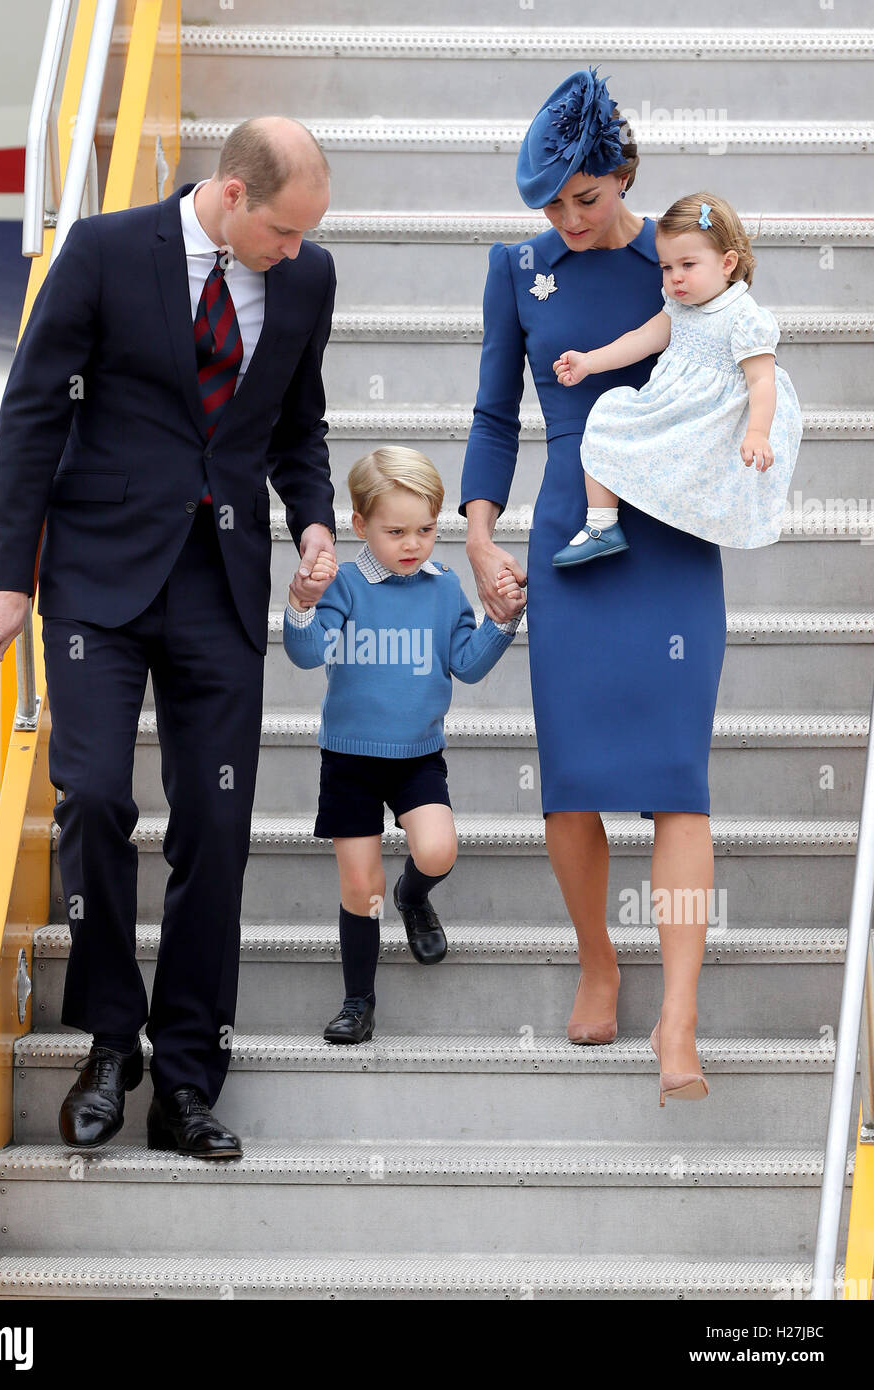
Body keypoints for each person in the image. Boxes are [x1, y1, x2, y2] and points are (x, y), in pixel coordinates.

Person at [0, 117, 339, 1156]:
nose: (294, 253)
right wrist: (5, 578)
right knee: (91, 797)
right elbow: (33, 409)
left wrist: (312, 520)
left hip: (218, 585)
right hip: (96, 579)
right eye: (281, 231)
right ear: (228, 195)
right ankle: (109, 1041)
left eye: (308, 235)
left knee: (215, 831)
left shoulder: (304, 282)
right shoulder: (103, 251)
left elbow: (294, 425)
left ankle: (185, 1078)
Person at [461, 67, 726, 1104]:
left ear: (622, 173)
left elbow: (740, 356)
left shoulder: (679, 252)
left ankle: (678, 1017)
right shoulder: (514, 268)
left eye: (585, 196)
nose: (566, 219)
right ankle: (598, 960)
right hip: (575, 532)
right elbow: (492, 416)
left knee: (675, 780)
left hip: (671, 536)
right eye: (548, 203)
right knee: (569, 778)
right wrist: (479, 539)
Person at [282, 447, 525, 1044]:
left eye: (425, 529)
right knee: (359, 888)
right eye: (395, 531)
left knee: (438, 851)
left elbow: (465, 666)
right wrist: (301, 606)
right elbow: (308, 654)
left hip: (417, 758)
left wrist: (503, 622)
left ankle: (413, 896)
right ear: (360, 526)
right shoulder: (344, 584)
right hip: (350, 760)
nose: (412, 544)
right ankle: (358, 999)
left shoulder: (443, 589)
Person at [552, 191, 802, 566]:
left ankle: (684, 511)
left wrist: (757, 433)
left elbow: (762, 382)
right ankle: (602, 525)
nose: (676, 278)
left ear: (727, 263)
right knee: (608, 414)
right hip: (672, 408)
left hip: (714, 421)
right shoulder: (679, 307)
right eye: (667, 268)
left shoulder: (744, 318)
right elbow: (642, 339)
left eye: (688, 264)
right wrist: (590, 362)